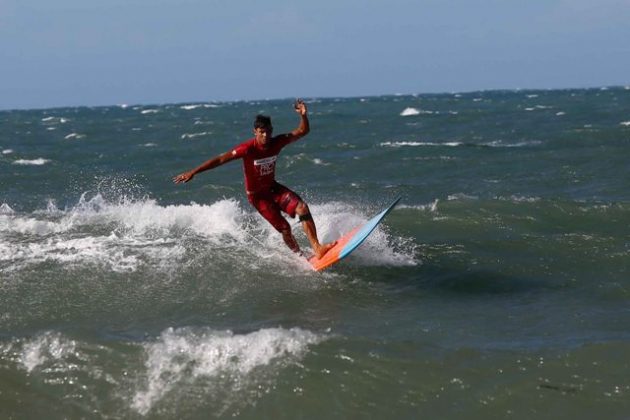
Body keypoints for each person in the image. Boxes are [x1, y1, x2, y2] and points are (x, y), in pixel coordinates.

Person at [173, 99, 335, 259]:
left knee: (302, 208)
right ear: (255, 132)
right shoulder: (247, 149)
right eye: (262, 132)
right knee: (285, 228)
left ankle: (317, 248)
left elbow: (302, 131)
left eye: (269, 131)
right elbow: (221, 159)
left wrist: (303, 116)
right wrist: (194, 171)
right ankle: (300, 256)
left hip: (273, 189)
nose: (266, 135)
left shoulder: (277, 142)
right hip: (258, 197)